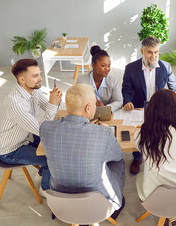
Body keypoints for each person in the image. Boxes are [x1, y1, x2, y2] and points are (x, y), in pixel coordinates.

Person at [39, 84, 125, 219]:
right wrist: (105, 130)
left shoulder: (45, 128)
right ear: (88, 108)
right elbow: (118, 155)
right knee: (118, 162)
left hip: (59, 200)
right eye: (95, 103)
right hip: (97, 202)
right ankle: (117, 199)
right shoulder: (103, 133)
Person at [0, 58, 62, 193]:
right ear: (22, 80)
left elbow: (48, 107)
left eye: (39, 74)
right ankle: (45, 190)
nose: (40, 79)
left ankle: (42, 175)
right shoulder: (16, 103)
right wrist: (53, 104)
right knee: (52, 159)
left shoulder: (33, 90)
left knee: (56, 147)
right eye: (35, 76)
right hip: (10, 150)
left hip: (25, 137)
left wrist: (56, 100)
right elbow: (42, 130)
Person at [122, 36, 176, 174]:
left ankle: (158, 155)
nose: (153, 56)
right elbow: (126, 90)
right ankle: (137, 157)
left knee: (159, 131)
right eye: (150, 52)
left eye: (156, 52)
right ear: (142, 51)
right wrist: (127, 101)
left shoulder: (165, 67)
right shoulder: (130, 68)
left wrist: (174, 103)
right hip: (138, 106)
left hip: (159, 107)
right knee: (138, 132)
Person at [134, 89, 176, 201]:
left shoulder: (140, 136)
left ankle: (168, 211)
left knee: (140, 176)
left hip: (153, 196)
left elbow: (138, 147)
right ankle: (172, 214)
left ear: (150, 111)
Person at [77, 45, 123, 112]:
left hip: (107, 114)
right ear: (93, 65)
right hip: (87, 113)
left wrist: (105, 108)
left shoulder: (113, 81)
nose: (107, 69)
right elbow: (76, 101)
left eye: (109, 66)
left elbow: (119, 101)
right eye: (103, 65)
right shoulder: (81, 80)